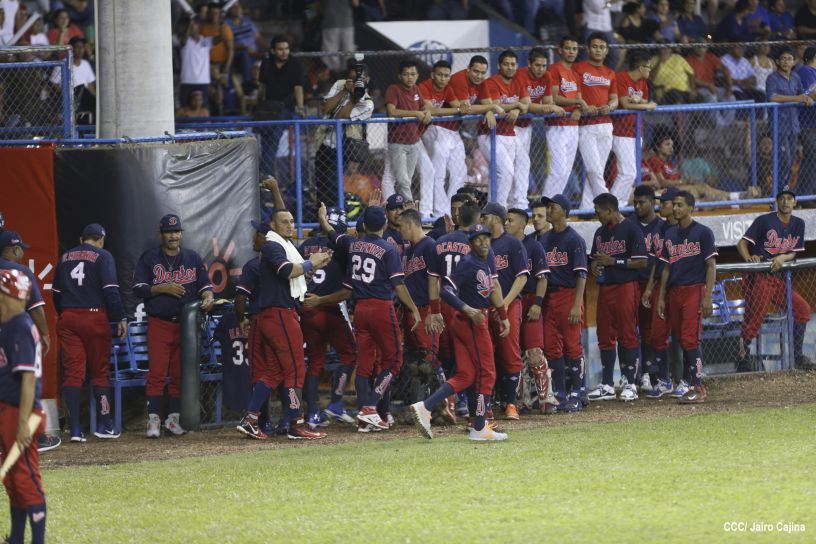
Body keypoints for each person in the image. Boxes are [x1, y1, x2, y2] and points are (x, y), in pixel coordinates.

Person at [318, 204, 421, 432]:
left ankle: (366, 416)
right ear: (384, 224)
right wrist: (413, 309)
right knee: (394, 361)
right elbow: (399, 285)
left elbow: (333, 234)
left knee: (364, 365)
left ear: (364, 225)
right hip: (381, 308)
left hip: (360, 309)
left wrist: (323, 218)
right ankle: (370, 408)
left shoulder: (352, 244)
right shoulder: (388, 249)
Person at [237, 209, 332, 440]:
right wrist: (311, 262)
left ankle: (251, 419)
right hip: (279, 314)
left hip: (275, 314)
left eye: (292, 221)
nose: (290, 225)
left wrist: (314, 266)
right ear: (272, 225)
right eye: (284, 222)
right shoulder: (272, 245)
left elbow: (296, 278)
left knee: (274, 371)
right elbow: (287, 271)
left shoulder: (283, 246)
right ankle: (296, 424)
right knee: (296, 370)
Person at [409, 223, 510, 442]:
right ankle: (480, 427)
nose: (483, 242)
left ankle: (424, 407)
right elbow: (446, 290)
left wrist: (503, 315)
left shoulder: (488, 257)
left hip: (471, 319)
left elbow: (494, 288)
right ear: (470, 243)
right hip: (470, 320)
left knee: (466, 375)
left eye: (486, 237)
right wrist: (467, 309)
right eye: (478, 239)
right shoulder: (468, 262)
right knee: (487, 373)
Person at [132, 214, 214, 438]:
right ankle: (153, 421)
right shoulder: (150, 258)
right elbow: (137, 288)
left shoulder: (192, 257)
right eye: (169, 232)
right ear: (161, 234)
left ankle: (173, 420)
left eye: (176, 231)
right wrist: (161, 288)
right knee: (157, 373)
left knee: (179, 375)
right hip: (159, 322)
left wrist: (208, 296)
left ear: (181, 234)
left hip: (186, 326)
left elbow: (205, 285)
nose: (173, 236)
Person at [52, 224, 126, 442]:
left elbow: (56, 293)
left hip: (68, 317)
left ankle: (75, 429)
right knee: (100, 371)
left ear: (81, 239)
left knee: (73, 373)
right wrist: (120, 317)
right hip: (94, 317)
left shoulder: (65, 257)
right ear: (101, 239)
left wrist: (66, 313)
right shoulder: (104, 256)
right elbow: (111, 292)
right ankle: (104, 425)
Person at [736, 187, 813, 371]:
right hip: (760, 275)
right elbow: (741, 243)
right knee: (754, 320)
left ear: (795, 202)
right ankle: (742, 357)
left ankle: (798, 356)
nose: (786, 201)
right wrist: (749, 259)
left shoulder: (799, 223)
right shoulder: (764, 220)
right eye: (782, 198)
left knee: (803, 310)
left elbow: (793, 252)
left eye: (789, 198)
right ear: (777, 202)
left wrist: (782, 257)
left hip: (778, 278)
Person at [298, 208, 359, 428]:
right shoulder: (343, 247)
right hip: (330, 307)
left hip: (305, 307)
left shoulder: (306, 245)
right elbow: (347, 291)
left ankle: (312, 414)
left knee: (314, 361)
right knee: (350, 353)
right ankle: (336, 403)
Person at [656, 191, 717, 404]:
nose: (675, 208)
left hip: (694, 289)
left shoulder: (703, 232)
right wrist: (661, 297)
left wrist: (707, 296)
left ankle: (698, 387)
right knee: (681, 339)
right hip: (675, 292)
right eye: (674, 204)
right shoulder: (670, 234)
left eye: (680, 205)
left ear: (691, 208)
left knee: (690, 339)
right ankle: (689, 384)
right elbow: (666, 268)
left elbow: (711, 266)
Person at [0, 269, 47, 544]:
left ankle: (37, 540)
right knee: (13, 479)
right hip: (9, 408)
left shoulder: (19, 325)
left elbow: (28, 379)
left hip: (23, 411)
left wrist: (23, 424)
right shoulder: (7, 324)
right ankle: (16, 538)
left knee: (26, 478)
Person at [586, 193, 647, 402]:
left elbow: (642, 262)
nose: (597, 216)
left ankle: (630, 383)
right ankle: (607, 385)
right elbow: (595, 259)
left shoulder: (631, 229)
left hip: (626, 287)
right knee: (604, 335)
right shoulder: (600, 233)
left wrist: (613, 261)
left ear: (610, 210)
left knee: (627, 334)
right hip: (605, 288)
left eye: (599, 212)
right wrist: (594, 266)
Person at [538, 194, 587, 411]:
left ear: (564, 212)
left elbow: (581, 275)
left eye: (553, 207)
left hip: (569, 295)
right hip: (549, 297)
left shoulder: (574, 239)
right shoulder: (544, 239)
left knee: (573, 345)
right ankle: (559, 392)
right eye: (548, 207)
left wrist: (577, 305)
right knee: (551, 347)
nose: (549, 211)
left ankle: (577, 392)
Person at [480, 203, 528, 419]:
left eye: (485, 216)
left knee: (510, 353)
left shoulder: (512, 243)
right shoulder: (481, 243)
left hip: (509, 304)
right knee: (486, 355)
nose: (482, 220)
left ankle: (511, 403)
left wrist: (505, 304)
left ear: (496, 219)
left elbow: (522, 277)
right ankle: (488, 404)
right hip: (485, 306)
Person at [505, 207, 550, 413]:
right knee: (515, 353)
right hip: (511, 301)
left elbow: (542, 278)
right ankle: (522, 401)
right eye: (506, 220)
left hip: (530, 300)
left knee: (534, 352)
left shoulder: (534, 246)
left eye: (511, 220)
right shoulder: (502, 245)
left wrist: (538, 304)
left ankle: (546, 399)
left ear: (522, 224)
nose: (506, 223)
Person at [641, 187, 685, 398]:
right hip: (661, 286)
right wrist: (650, 288)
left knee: (683, 336)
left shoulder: (685, 230)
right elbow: (655, 263)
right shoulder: (658, 229)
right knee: (657, 335)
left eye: (665, 203)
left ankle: (686, 380)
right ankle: (665, 380)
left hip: (680, 286)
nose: (661, 207)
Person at [314, 59, 374, 208]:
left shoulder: (367, 103)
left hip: (344, 148)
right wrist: (344, 91)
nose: (356, 82)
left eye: (360, 79)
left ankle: (335, 216)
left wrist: (354, 96)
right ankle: (321, 216)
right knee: (320, 185)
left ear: (367, 80)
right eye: (352, 78)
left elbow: (342, 116)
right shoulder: (340, 84)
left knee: (332, 186)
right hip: (325, 143)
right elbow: (326, 108)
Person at [398, 209, 442, 405]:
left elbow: (436, 282)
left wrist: (434, 311)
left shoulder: (429, 246)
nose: (399, 230)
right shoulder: (408, 251)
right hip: (411, 312)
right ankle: (419, 408)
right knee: (415, 362)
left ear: (410, 224)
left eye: (401, 226)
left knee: (428, 361)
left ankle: (444, 406)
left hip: (426, 311)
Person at [477, 50, 531, 209]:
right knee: (506, 171)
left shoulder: (518, 82)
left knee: (515, 167)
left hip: (509, 134)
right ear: (499, 65)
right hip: (489, 134)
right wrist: (516, 105)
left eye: (513, 64)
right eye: (506, 64)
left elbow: (526, 104)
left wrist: (518, 110)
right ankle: (499, 210)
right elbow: (496, 107)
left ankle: (498, 208)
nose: (510, 67)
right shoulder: (491, 82)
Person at [418, 60, 468, 218]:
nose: (443, 78)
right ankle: (439, 212)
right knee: (436, 174)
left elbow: (460, 107)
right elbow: (430, 109)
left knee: (459, 173)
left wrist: (459, 108)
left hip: (439, 131)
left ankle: (450, 209)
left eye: (446, 76)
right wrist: (457, 109)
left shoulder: (448, 88)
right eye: (439, 75)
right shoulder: (424, 86)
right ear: (432, 75)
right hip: (419, 132)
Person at [574, 33, 618, 210]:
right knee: (593, 169)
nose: (598, 50)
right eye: (594, 47)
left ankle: (586, 208)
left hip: (606, 125)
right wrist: (583, 106)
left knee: (597, 170)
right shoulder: (579, 68)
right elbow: (573, 93)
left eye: (601, 47)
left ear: (606, 51)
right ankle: (608, 204)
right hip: (586, 125)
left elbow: (614, 99)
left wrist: (610, 106)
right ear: (588, 49)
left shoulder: (610, 73)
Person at [627, 186, 664, 392]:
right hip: (632, 282)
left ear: (652, 203)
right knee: (630, 330)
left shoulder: (663, 227)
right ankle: (634, 375)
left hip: (653, 285)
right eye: (635, 202)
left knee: (651, 330)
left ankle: (652, 373)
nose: (637, 206)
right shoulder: (628, 225)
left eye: (642, 202)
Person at [611, 51, 657, 205]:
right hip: (621, 132)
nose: (650, 70)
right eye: (648, 67)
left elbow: (643, 100)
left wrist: (640, 101)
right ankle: (612, 205)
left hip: (637, 131)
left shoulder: (643, 82)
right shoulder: (621, 78)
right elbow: (625, 103)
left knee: (631, 172)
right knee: (628, 173)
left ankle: (618, 205)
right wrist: (646, 105)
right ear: (640, 68)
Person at [765, 47, 814, 189]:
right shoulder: (772, 78)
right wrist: (796, 98)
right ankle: (778, 192)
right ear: (777, 61)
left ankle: (783, 191)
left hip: (794, 126)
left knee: (790, 161)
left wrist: (808, 99)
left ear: (794, 61)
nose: (786, 62)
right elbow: (772, 97)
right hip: (779, 126)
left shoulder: (796, 77)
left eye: (789, 59)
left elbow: (802, 94)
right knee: (784, 161)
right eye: (783, 59)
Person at [384, 60, 431, 202]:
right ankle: (410, 209)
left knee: (406, 181)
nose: (410, 77)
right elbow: (391, 111)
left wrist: (427, 112)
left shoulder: (416, 89)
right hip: (398, 142)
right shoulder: (393, 89)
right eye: (406, 74)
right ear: (400, 76)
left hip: (414, 142)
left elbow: (424, 106)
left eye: (412, 74)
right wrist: (416, 113)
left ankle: (400, 208)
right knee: (403, 181)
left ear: (417, 75)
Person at [544, 36, 585, 198]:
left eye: (574, 49)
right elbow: (554, 98)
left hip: (572, 126)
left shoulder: (575, 73)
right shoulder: (554, 69)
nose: (571, 52)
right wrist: (577, 103)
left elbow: (580, 100)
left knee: (566, 171)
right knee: (558, 170)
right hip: (557, 125)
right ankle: (545, 203)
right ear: (560, 50)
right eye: (568, 48)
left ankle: (554, 203)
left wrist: (579, 109)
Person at [179, 18, 215, 109]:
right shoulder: (185, 40)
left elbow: (221, 37)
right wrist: (189, 24)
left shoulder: (207, 41)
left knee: (204, 109)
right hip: (187, 80)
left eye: (194, 24)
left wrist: (220, 22)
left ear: (199, 26)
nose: (192, 26)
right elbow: (183, 41)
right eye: (190, 25)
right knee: (184, 109)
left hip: (203, 80)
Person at [226, 2, 265, 82]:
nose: (237, 9)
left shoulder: (247, 20)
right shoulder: (226, 24)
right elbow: (227, 44)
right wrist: (243, 47)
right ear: (229, 10)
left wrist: (269, 47)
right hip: (238, 53)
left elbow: (258, 37)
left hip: (254, 52)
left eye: (239, 6)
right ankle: (248, 82)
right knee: (245, 54)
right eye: (234, 7)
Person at [797, 46, 816, 198]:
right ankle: (804, 195)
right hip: (807, 123)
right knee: (811, 157)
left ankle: (809, 194)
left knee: (811, 159)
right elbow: (808, 94)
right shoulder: (805, 71)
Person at [320, 0, 357, 73]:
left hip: (330, 20)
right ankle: (345, 73)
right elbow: (355, 3)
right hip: (346, 20)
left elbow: (320, 5)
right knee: (348, 51)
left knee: (330, 51)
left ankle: (333, 74)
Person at [200, 2, 234, 78]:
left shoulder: (225, 28)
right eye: (212, 13)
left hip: (220, 63)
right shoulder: (203, 27)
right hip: (205, 63)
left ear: (219, 15)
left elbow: (231, 50)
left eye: (216, 13)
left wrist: (226, 68)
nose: (214, 15)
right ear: (208, 14)